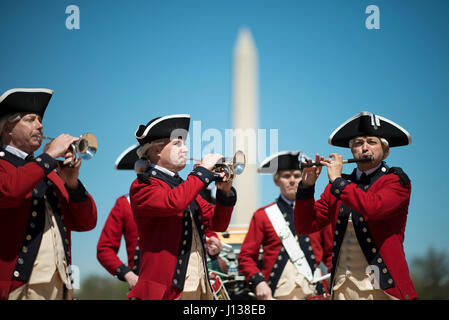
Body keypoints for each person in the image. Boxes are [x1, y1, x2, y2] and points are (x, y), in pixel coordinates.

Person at [294, 111, 417, 300]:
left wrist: (337, 182)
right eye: (359, 143)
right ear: (351, 150)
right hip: (343, 290)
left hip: (383, 289)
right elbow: (304, 227)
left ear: (386, 151)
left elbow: (374, 208)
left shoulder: (396, 181)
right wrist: (306, 187)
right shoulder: (338, 185)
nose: (365, 148)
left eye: (372, 142)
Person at [0, 88, 97, 300]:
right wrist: (49, 156)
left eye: (41, 120)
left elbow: (87, 222)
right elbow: (9, 192)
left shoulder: (50, 175)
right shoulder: (6, 166)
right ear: (7, 129)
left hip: (60, 286)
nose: (40, 125)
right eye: (30, 119)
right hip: (20, 287)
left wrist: (72, 183)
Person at [127, 114, 237, 300]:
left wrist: (224, 193)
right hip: (167, 291)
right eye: (177, 144)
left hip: (199, 288)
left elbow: (217, 223)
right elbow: (173, 202)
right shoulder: (143, 185)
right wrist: (202, 172)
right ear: (156, 151)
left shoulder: (185, 186)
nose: (185, 150)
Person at [97, 144, 226, 291]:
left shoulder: (185, 191)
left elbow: (207, 224)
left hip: (193, 283)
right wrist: (128, 275)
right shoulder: (132, 197)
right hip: (155, 285)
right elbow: (104, 249)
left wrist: (225, 193)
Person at [238, 151, 333, 300]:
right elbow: (246, 257)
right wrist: (259, 282)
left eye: (297, 175)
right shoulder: (262, 215)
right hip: (277, 294)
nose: (292, 180)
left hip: (315, 293)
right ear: (277, 180)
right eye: (286, 176)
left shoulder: (319, 212)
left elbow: (331, 254)